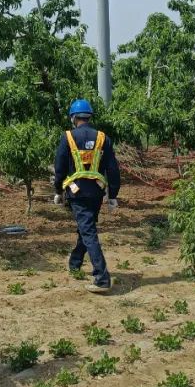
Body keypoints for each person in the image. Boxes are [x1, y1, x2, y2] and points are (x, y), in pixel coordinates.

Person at [53, 99, 121, 293]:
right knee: (87, 226)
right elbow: (112, 169)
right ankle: (75, 263)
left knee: (88, 231)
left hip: (77, 192)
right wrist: (113, 194)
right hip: (96, 193)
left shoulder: (68, 137)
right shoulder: (102, 137)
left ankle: (102, 278)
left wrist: (58, 191)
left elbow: (59, 168)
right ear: (89, 117)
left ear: (73, 118)